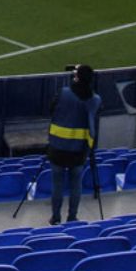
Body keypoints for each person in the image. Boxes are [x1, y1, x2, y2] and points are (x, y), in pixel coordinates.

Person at [46, 63, 101, 225]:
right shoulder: (95, 100)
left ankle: (56, 217)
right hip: (79, 149)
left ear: (77, 78)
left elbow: (51, 109)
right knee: (76, 184)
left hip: (58, 146)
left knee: (57, 184)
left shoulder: (64, 93)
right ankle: (72, 217)